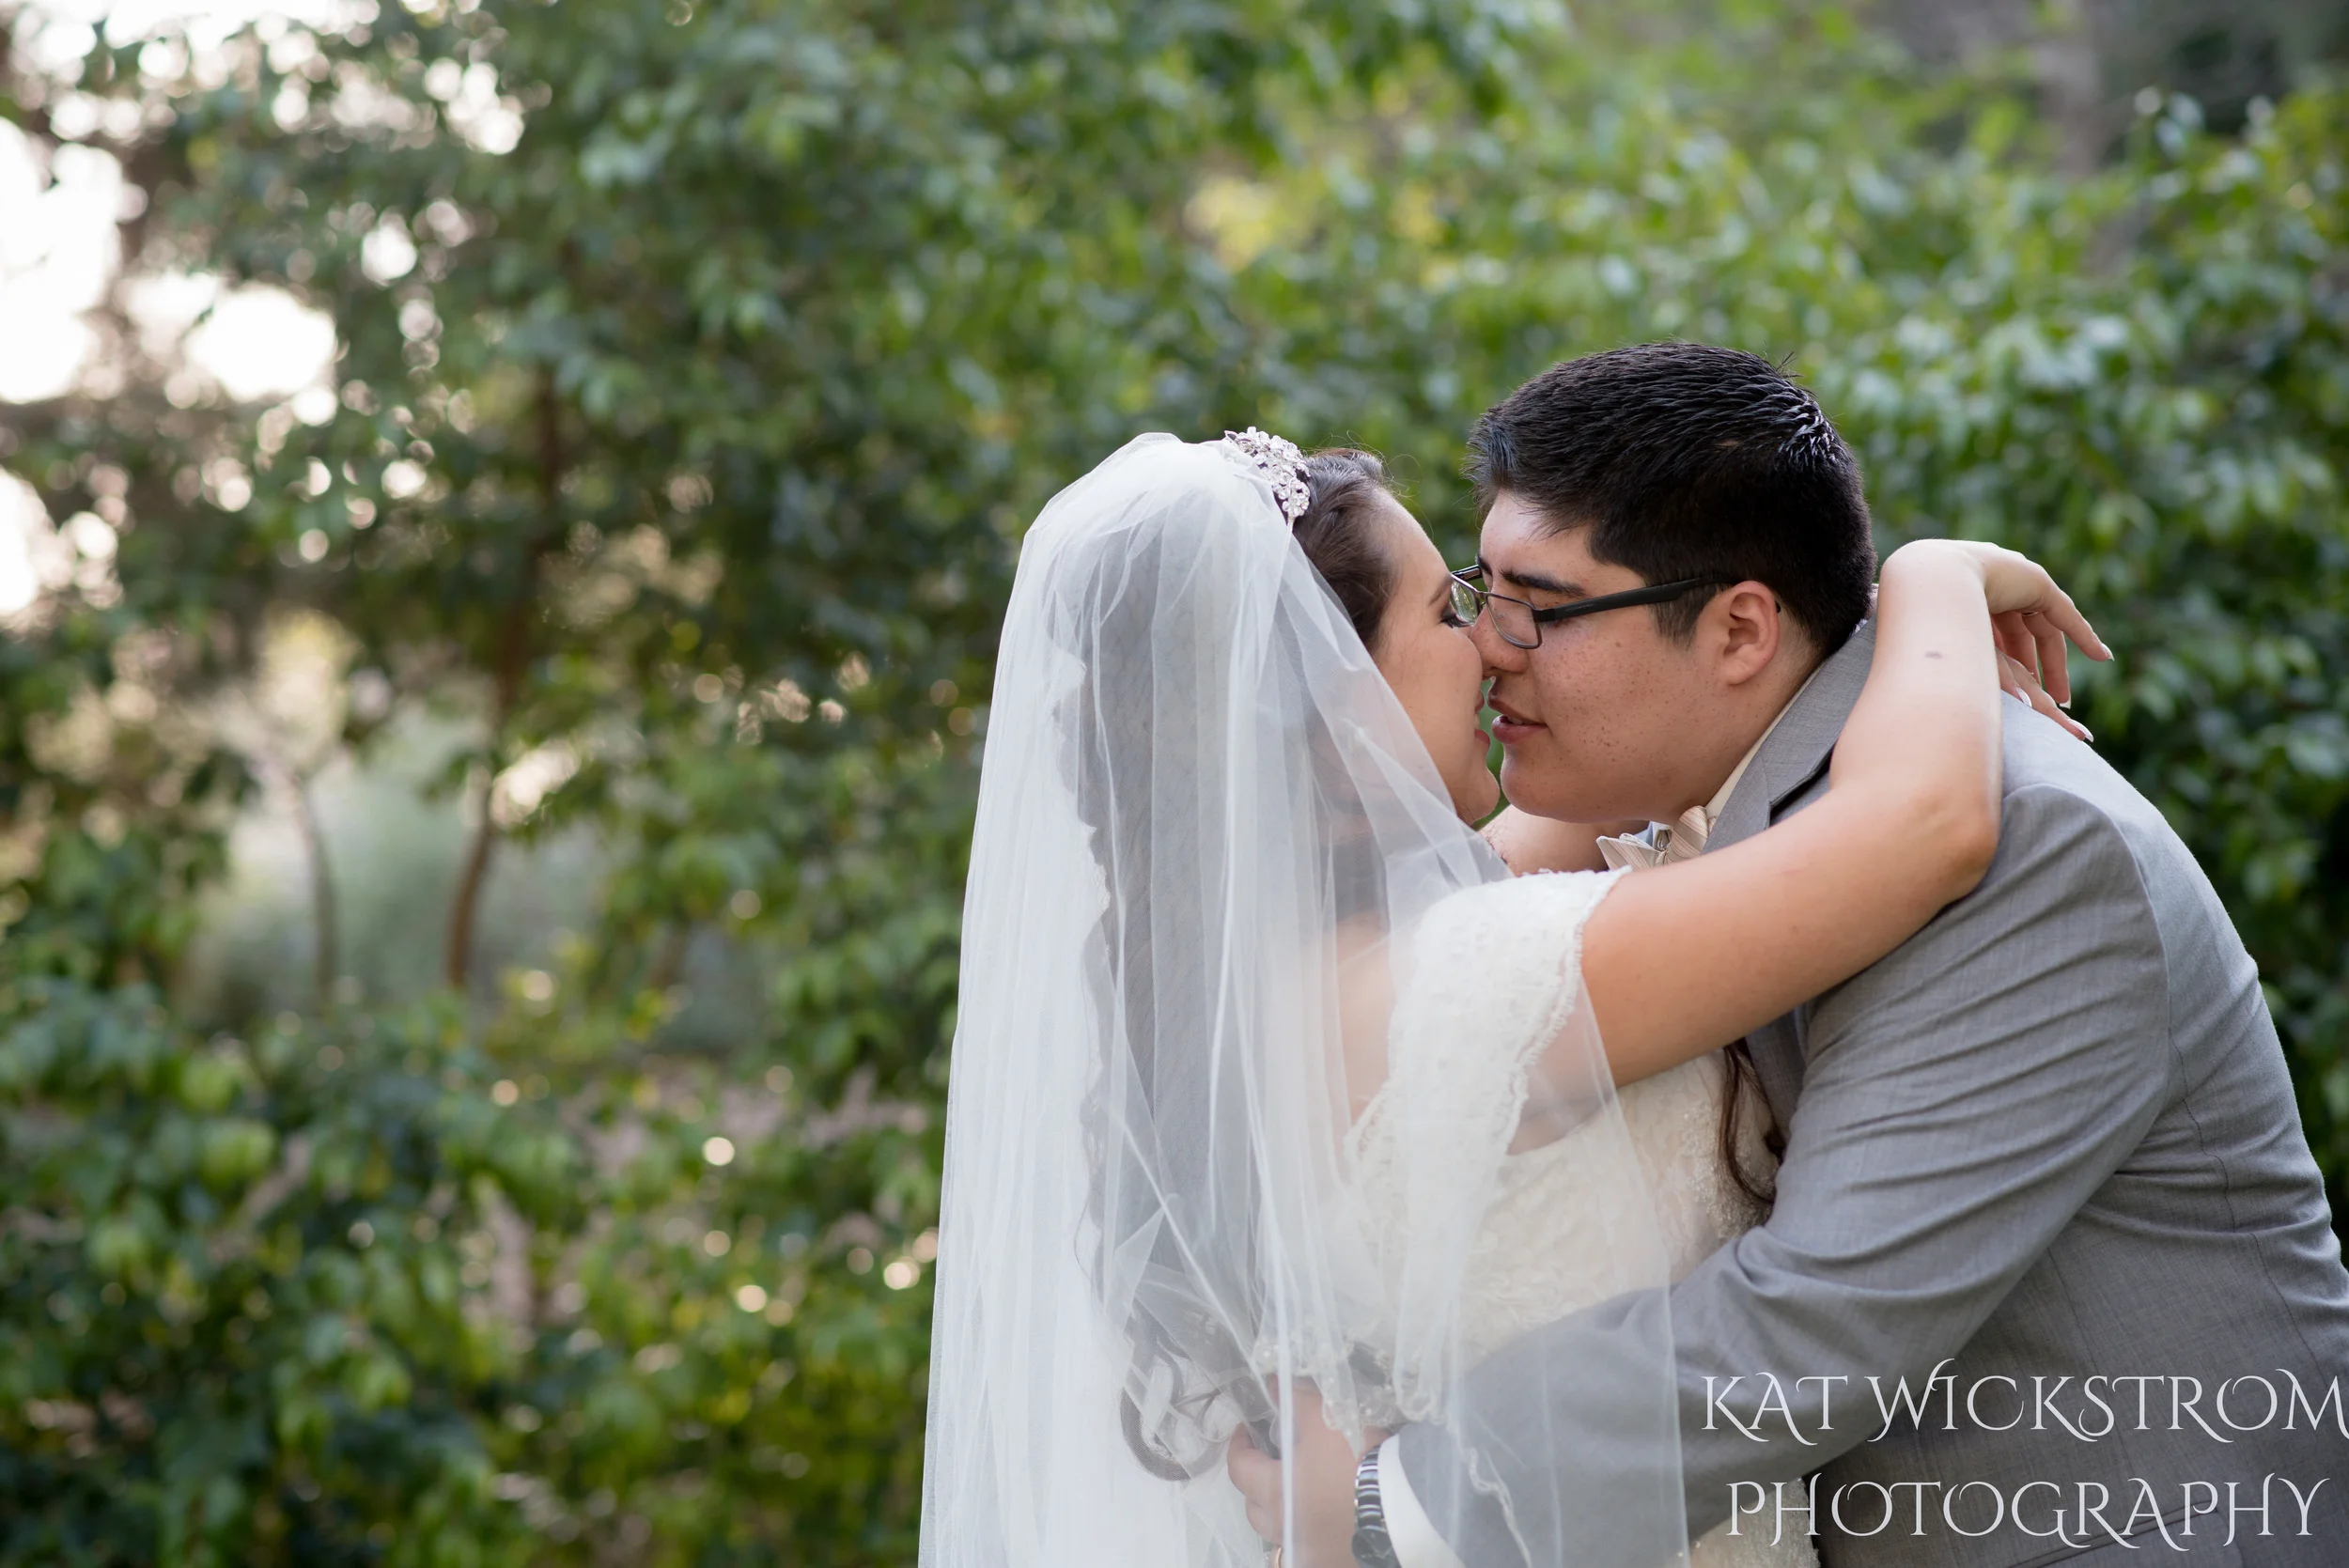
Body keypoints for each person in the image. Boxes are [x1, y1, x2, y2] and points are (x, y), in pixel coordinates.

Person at [920, 406, 2098, 1568]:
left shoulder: (1303, 977)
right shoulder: (1459, 988)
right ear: (1339, 721)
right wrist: (1932, 579)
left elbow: (1590, 785)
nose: (1491, 644)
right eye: (1451, 609)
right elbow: (1927, 825)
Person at [1232, 345, 2349, 1567]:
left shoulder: (2030, 846)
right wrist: (1929, 578)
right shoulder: (1639, 805)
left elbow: (1815, 1323)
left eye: (1535, 609)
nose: (1493, 648)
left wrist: (1397, 1503)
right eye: (1472, 596)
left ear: (1741, 630)